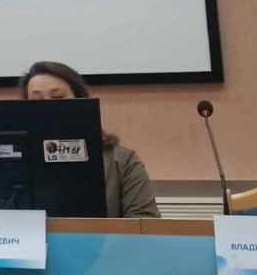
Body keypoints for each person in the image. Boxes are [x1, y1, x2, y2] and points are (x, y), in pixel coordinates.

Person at [19, 61, 160, 218]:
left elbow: (147, 221)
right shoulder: (17, 160)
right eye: (36, 100)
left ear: (80, 100)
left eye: (58, 97)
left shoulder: (122, 161)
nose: (47, 107)